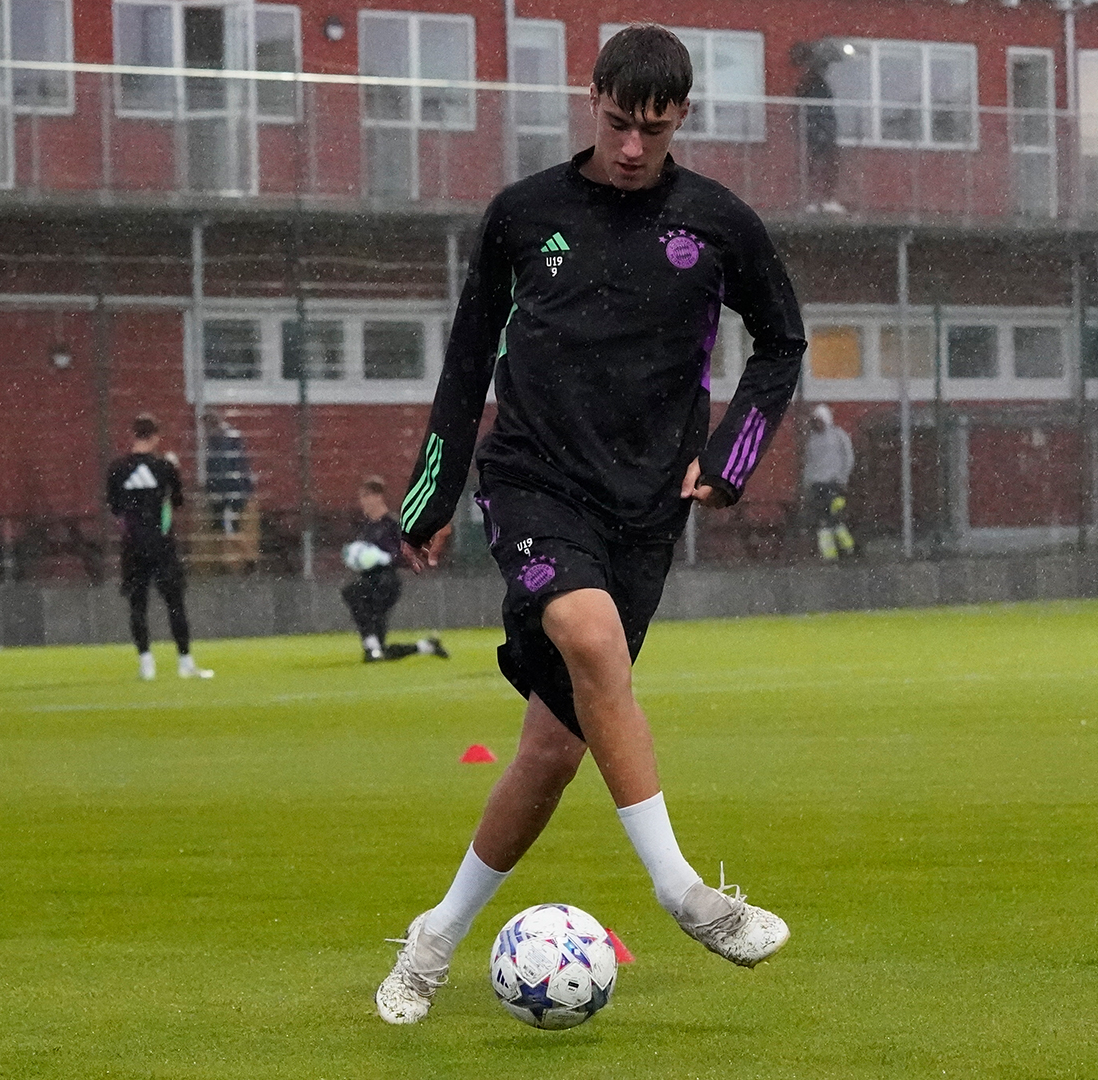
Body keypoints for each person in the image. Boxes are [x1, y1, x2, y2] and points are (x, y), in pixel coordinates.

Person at [373, 24, 808, 1025]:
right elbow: (466, 357)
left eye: (651, 131)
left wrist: (733, 457)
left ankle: (434, 938)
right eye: (616, 123)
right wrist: (428, 496)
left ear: (681, 118)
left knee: (553, 750)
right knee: (588, 633)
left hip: (646, 509)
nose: (629, 148)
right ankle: (684, 893)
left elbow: (782, 343)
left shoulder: (718, 223)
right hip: (534, 484)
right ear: (594, 99)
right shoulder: (523, 215)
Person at [105, 414, 212, 680]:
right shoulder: (164, 466)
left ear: (133, 435)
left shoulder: (117, 468)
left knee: (137, 603)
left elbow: (115, 507)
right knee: (174, 602)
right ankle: (185, 661)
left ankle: (146, 663)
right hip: (161, 543)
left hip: (133, 544)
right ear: (155, 437)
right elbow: (177, 501)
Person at [341, 476, 448, 663]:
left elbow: (407, 553)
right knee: (379, 643)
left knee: (354, 593)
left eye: (365, 496)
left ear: (377, 496)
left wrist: (385, 557)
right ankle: (426, 646)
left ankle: (371, 645)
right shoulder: (366, 527)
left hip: (386, 580)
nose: (362, 502)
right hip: (368, 577)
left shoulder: (392, 524)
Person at [790, 40, 842, 213]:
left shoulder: (817, 83)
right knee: (815, 164)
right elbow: (802, 102)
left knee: (825, 164)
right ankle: (815, 200)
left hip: (822, 127)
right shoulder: (811, 82)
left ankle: (824, 200)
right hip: (816, 128)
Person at [802, 403, 856, 560]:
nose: (816, 423)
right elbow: (809, 462)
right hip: (818, 485)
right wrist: (808, 482)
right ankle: (837, 552)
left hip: (834, 484)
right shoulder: (812, 439)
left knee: (833, 518)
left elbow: (848, 457)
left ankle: (845, 550)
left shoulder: (839, 436)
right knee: (825, 521)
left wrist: (842, 478)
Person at [204, 413, 255, 536]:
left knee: (228, 522)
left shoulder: (221, 438)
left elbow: (221, 465)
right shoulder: (228, 436)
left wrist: (212, 486)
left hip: (228, 486)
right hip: (232, 486)